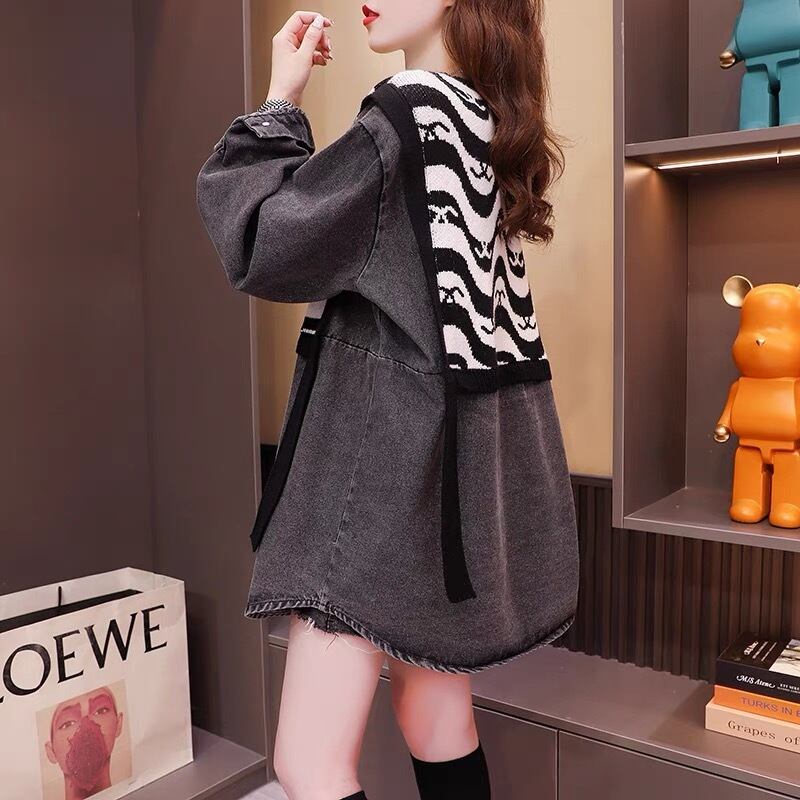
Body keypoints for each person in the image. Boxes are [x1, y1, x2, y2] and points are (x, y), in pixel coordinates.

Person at [196, 2, 580, 799]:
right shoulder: (484, 120)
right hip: (448, 489)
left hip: (374, 483)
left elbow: (267, 242)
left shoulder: (407, 114)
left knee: (307, 762)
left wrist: (279, 103)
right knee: (435, 718)